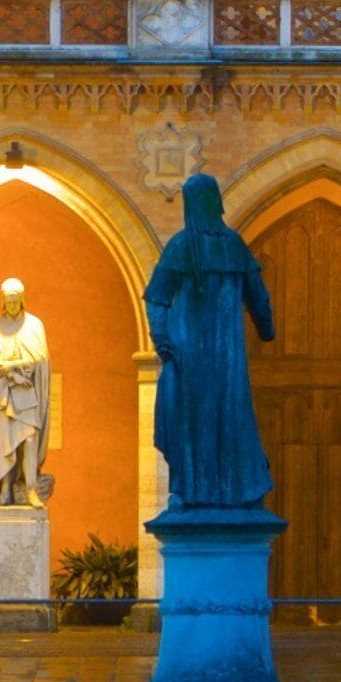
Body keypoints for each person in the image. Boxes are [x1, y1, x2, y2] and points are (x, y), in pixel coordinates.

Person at [145, 174, 279, 511]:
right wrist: (266, 328)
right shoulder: (232, 245)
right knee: (229, 415)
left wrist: (162, 339)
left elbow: (156, 298)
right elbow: (258, 296)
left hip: (187, 351)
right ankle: (235, 490)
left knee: (189, 418)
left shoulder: (180, 246)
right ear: (216, 202)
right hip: (225, 356)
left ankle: (189, 490)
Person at [0, 278, 50, 507]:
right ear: (2, 301)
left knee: (29, 439)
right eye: (8, 302)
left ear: (22, 300)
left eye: (15, 301)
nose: (11, 306)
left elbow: (39, 358)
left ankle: (31, 489)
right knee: (5, 442)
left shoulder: (34, 325)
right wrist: (14, 370)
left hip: (26, 393)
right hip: (3, 395)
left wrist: (11, 366)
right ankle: (5, 489)